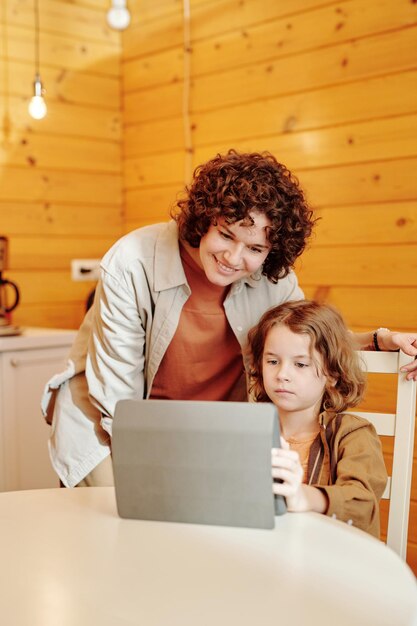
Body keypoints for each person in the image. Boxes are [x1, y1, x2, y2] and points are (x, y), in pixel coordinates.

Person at [41, 150, 417, 488]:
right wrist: (147, 480)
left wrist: (379, 339)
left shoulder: (274, 277)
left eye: (254, 248)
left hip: (208, 436)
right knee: (123, 536)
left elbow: (309, 337)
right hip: (112, 431)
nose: (234, 258)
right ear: (205, 219)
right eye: (225, 235)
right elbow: (117, 402)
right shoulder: (131, 262)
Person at [246, 299, 388, 537]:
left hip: (330, 562)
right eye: (272, 361)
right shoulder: (248, 431)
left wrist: (302, 497)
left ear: (332, 374)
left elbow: (362, 504)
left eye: (301, 364)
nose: (282, 374)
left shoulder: (353, 434)